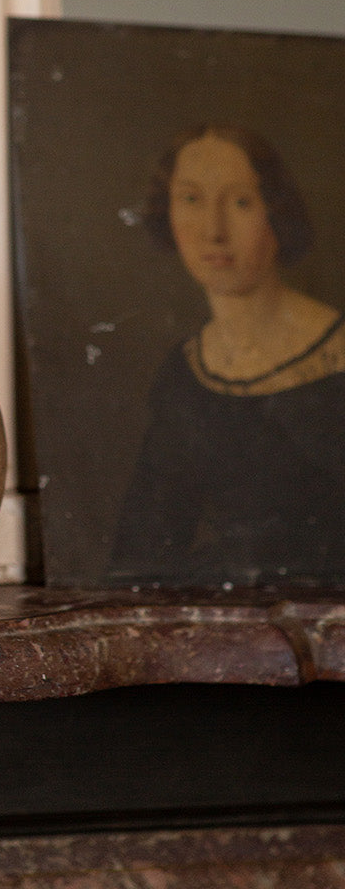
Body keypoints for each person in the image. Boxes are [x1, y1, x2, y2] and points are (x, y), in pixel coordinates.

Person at [109, 124, 345, 585]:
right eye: (192, 200)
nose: (214, 232)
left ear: (277, 214)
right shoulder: (185, 372)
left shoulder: (338, 358)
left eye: (240, 202)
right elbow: (143, 550)